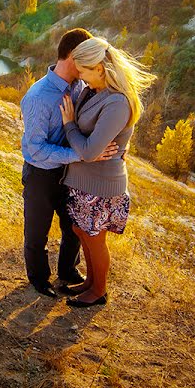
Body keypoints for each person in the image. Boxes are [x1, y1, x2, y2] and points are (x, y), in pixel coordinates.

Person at [20, 28, 119, 298]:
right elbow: (36, 150)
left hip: (73, 173)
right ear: (75, 57)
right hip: (42, 175)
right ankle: (39, 279)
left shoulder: (81, 87)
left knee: (73, 227)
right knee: (37, 232)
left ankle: (68, 271)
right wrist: (83, 154)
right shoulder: (38, 97)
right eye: (88, 59)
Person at [58, 37, 156, 307]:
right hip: (83, 180)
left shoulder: (117, 103)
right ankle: (91, 282)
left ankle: (99, 290)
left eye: (84, 71)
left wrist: (69, 125)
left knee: (94, 237)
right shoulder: (96, 91)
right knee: (80, 230)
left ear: (100, 68)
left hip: (100, 184)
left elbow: (89, 152)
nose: (80, 76)